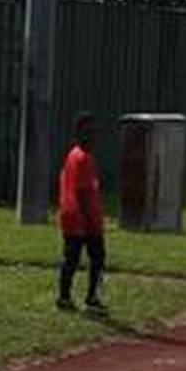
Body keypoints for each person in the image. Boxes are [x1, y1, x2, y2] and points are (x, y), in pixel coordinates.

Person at [56, 113, 106, 312]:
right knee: (92, 258)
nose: (93, 137)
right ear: (79, 135)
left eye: (94, 132)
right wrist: (93, 222)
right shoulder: (82, 158)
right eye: (88, 133)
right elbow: (83, 193)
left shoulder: (76, 155)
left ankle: (66, 297)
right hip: (81, 219)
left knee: (74, 259)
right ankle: (86, 298)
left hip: (74, 217)